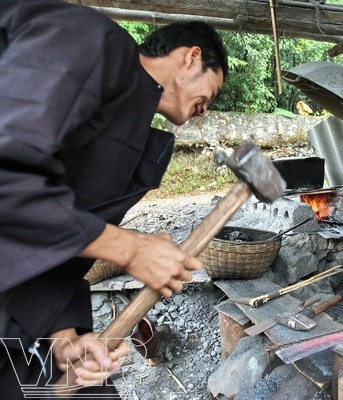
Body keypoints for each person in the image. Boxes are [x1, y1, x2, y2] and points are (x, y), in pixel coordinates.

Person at [0, 0, 229, 398]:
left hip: (26, 309)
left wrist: (63, 336)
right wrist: (127, 247)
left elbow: (49, 234)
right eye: (214, 89)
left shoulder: (130, 124)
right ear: (191, 58)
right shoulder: (86, 38)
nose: (206, 110)